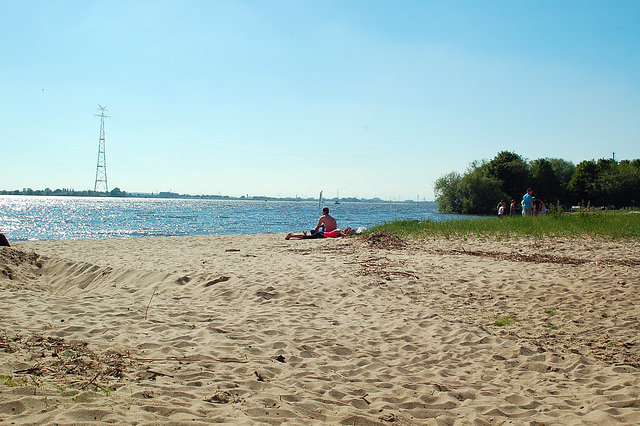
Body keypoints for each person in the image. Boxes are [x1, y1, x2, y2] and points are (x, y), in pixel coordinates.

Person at [285, 227, 356, 240]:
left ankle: (292, 235)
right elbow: (344, 235)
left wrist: (347, 230)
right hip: (321, 234)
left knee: (308, 237)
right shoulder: (340, 231)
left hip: (322, 234)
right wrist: (350, 234)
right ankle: (291, 235)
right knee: (306, 237)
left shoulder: (341, 231)